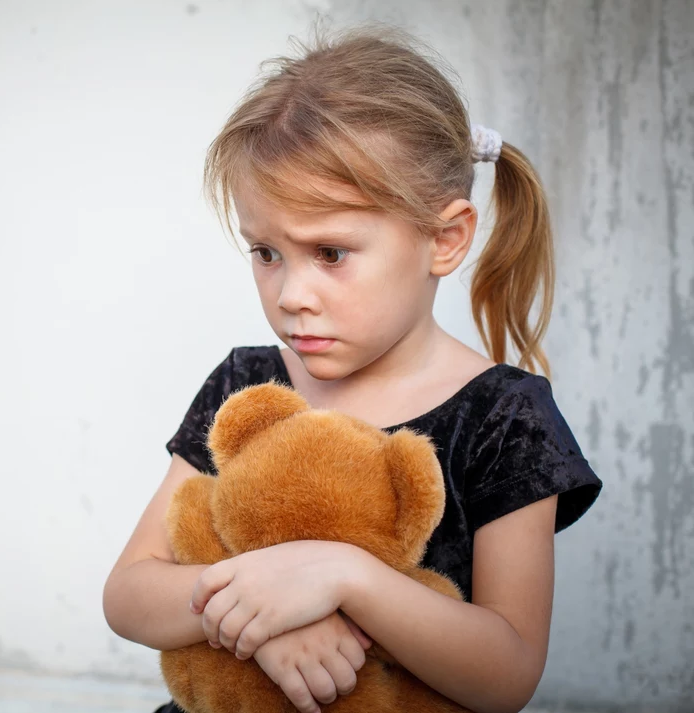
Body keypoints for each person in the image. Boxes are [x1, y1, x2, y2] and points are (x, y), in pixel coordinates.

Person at [102, 22, 602, 713]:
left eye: (330, 252)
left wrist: (345, 576)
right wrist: (258, 619)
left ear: (445, 239)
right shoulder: (246, 383)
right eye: (266, 252)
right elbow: (128, 593)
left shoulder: (504, 417)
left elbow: (507, 672)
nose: (290, 294)